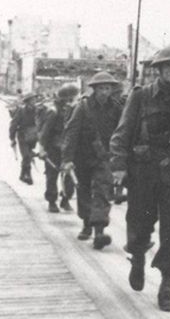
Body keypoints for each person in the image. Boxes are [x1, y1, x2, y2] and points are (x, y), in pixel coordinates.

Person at [110, 46, 170, 312]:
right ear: (160, 70)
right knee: (139, 224)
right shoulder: (141, 97)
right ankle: (138, 257)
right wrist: (118, 166)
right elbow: (121, 134)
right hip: (143, 174)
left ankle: (166, 285)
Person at [62, 72, 123, 250]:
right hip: (83, 156)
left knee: (103, 191)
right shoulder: (83, 107)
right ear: (94, 90)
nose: (105, 92)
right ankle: (87, 223)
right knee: (84, 190)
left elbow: (123, 132)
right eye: (101, 88)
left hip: (105, 157)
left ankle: (99, 231)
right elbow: (71, 133)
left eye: (108, 88)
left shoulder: (117, 108)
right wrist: (67, 159)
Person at [38, 84, 80, 213]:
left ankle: (65, 199)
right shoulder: (53, 111)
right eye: (73, 97)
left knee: (69, 176)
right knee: (52, 175)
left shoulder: (75, 111)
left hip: (69, 148)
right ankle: (52, 201)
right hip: (54, 148)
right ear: (67, 98)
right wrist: (42, 149)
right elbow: (45, 132)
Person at [9, 93, 38, 185]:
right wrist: (12, 138)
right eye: (32, 100)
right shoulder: (21, 111)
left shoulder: (37, 110)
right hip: (22, 136)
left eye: (35, 100)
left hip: (33, 136)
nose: (34, 101)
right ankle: (28, 175)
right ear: (28, 102)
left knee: (28, 155)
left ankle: (22, 174)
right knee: (26, 156)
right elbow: (13, 124)